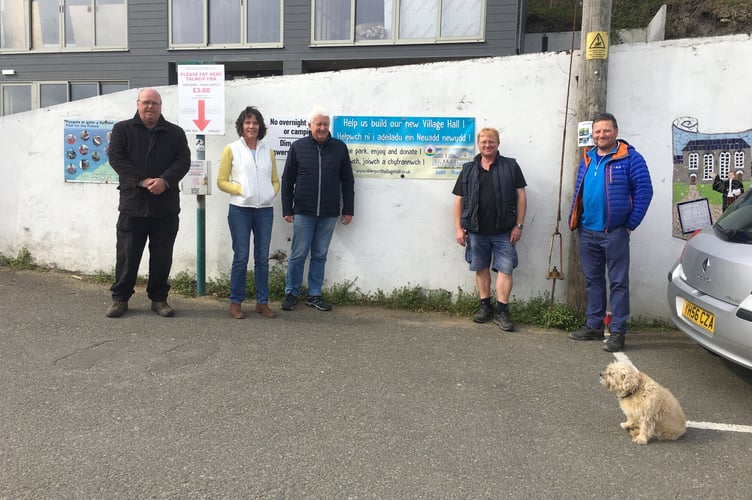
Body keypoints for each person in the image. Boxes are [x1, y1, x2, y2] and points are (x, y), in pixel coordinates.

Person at [567, 112, 653, 352]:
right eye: (597, 131)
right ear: (592, 134)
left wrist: (629, 225)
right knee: (593, 281)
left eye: (606, 130)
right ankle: (594, 326)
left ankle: (617, 332)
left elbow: (645, 192)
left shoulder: (630, 158)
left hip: (614, 232)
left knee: (618, 283)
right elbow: (581, 191)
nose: (601, 135)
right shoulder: (588, 157)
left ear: (615, 132)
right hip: (587, 231)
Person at [105, 88, 191, 318]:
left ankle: (159, 299)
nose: (150, 106)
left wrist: (165, 181)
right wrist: (141, 181)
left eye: (154, 103)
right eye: (145, 102)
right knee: (127, 255)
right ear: (137, 104)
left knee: (162, 256)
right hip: (133, 205)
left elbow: (183, 161)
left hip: (165, 207)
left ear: (161, 106)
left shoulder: (175, 133)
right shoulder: (122, 129)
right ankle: (120, 299)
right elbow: (116, 159)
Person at [280, 106, 355, 312]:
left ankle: (314, 294)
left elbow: (347, 181)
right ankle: (291, 292)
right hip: (303, 211)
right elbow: (288, 180)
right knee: (298, 254)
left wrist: (348, 209)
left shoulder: (339, 147)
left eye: (325, 124)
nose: (322, 128)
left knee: (320, 254)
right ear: (309, 126)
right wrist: (287, 208)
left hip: (329, 212)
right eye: (318, 124)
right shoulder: (298, 147)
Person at [453, 127, 527, 331]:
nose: (487, 145)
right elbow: (459, 200)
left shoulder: (511, 166)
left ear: (498, 144)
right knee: (481, 267)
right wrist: (459, 228)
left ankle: (502, 311)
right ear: (479, 144)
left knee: (505, 269)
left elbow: (521, 196)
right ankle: (485, 307)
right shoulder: (468, 168)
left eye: (491, 142)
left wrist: (518, 225)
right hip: (476, 231)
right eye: (484, 142)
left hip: (504, 231)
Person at [217, 106, 280, 319]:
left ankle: (262, 302)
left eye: (255, 122)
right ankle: (236, 302)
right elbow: (221, 181)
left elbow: (274, 180)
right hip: (240, 210)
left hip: (264, 211)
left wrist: (271, 193)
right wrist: (240, 190)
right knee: (241, 257)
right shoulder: (232, 149)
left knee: (262, 257)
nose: (251, 126)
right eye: (247, 122)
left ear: (260, 126)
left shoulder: (267, 150)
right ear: (241, 126)